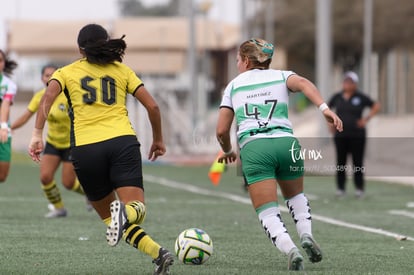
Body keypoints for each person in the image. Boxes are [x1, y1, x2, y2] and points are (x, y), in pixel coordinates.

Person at [28, 24, 173, 274]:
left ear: (79, 49)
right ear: (106, 43)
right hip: (122, 143)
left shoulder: (66, 72)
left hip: (85, 149)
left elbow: (47, 99)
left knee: (109, 218)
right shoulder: (122, 71)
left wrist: (36, 134)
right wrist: (158, 139)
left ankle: (157, 254)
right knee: (135, 209)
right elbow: (153, 107)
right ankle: (129, 218)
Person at [216, 38, 343, 271]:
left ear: (245, 60)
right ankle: (305, 234)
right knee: (296, 196)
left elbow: (222, 130)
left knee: (267, 210)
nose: (237, 64)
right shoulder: (282, 76)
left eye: (237, 60)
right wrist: (324, 110)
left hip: (255, 147)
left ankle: (290, 248)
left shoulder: (233, 86)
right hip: (287, 144)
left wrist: (227, 151)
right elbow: (304, 83)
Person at [12, 64, 88, 218]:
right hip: (53, 143)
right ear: (42, 78)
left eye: (53, 75)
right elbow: (26, 115)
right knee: (45, 177)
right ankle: (59, 209)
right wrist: (9, 127)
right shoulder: (40, 96)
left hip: (70, 145)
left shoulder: (69, 95)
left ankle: (92, 195)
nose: (49, 78)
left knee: (68, 183)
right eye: (46, 75)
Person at [328, 71, 380, 198]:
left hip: (357, 135)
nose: (347, 84)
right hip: (340, 135)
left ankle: (359, 188)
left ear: (355, 84)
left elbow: (376, 106)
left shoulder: (361, 97)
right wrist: (330, 124)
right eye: (346, 81)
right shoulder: (337, 97)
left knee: (358, 162)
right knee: (341, 162)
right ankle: (340, 188)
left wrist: (365, 119)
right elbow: (327, 109)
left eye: (350, 82)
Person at [0, 49, 18, 183]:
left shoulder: (9, 85)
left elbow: (5, 105)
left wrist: (3, 126)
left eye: (0, 60)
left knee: (2, 176)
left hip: (3, 130)